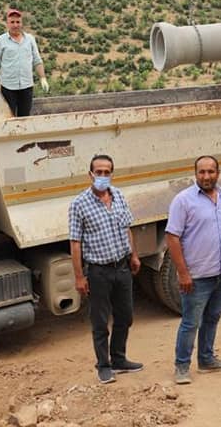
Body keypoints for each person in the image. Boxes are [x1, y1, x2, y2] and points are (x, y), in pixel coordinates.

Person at [68, 154, 142, 384]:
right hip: (98, 272)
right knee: (100, 322)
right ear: (90, 174)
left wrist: (134, 254)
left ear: (112, 173)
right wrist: (80, 276)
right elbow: (75, 242)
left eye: (106, 172)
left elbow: (127, 227)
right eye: (97, 172)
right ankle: (103, 366)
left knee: (125, 316)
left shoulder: (118, 195)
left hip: (122, 268)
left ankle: (119, 359)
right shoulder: (79, 204)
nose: (102, 176)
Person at [165, 156, 221, 385]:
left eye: (210, 172)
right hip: (197, 275)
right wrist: (183, 273)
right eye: (201, 172)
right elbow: (172, 237)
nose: (206, 176)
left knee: (213, 317)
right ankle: (181, 366)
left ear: (218, 172)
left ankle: (207, 360)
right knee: (191, 322)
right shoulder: (183, 200)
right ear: (195, 173)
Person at [0, 8, 49, 117]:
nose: (15, 25)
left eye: (18, 22)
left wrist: (43, 78)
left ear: (22, 23)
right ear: (7, 23)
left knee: (25, 118)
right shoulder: (0, 41)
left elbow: (37, 60)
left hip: (26, 86)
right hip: (8, 88)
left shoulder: (30, 39)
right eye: (12, 22)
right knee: (8, 118)